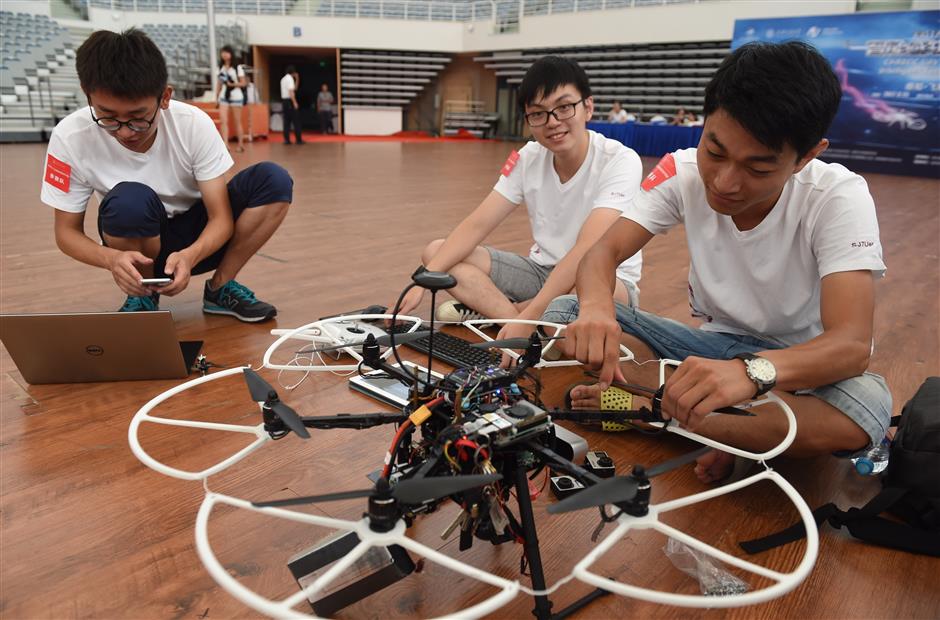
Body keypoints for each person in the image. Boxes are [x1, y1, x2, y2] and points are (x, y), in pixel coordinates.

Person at [545, 41, 891, 484]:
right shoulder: (681, 171)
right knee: (566, 315)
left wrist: (752, 372)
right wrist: (595, 309)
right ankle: (727, 425)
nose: (725, 182)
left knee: (866, 409)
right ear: (704, 122)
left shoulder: (838, 196)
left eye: (758, 169)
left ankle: (660, 410)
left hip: (798, 367)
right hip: (710, 352)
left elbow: (851, 345)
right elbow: (602, 253)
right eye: (715, 150)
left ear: (807, 155)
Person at [391, 55, 643, 353]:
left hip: (601, 278)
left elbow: (587, 249)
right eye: (538, 113)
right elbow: (478, 223)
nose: (552, 122)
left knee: (569, 307)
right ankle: (517, 320)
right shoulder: (528, 157)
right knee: (435, 253)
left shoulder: (620, 161)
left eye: (563, 107)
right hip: (540, 271)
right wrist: (423, 280)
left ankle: (501, 314)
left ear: (588, 107)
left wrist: (532, 314)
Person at [42, 29, 291, 321]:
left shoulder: (193, 124)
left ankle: (220, 288)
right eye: (107, 117)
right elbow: (66, 233)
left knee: (274, 180)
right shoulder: (69, 136)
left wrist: (191, 254)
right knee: (129, 200)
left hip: (198, 238)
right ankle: (144, 295)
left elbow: (220, 219)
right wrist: (112, 259)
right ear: (88, 96)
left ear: (165, 97)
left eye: (138, 118)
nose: (123, 131)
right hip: (132, 237)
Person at [215, 45, 246, 153]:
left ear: (231, 54)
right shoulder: (220, 67)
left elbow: (243, 83)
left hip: (236, 96)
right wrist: (217, 97)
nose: (224, 54)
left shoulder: (238, 68)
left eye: (227, 52)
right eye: (223, 52)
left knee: (237, 121)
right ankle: (225, 144)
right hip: (224, 96)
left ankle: (241, 144)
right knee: (223, 121)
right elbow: (219, 84)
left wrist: (231, 84)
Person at [280, 65, 303, 145]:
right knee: (296, 120)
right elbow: (291, 91)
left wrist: (297, 79)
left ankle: (286, 139)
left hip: (284, 101)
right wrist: (294, 102)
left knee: (286, 121)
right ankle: (298, 139)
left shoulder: (283, 79)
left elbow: (294, 88)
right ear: (293, 72)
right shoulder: (290, 79)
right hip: (290, 101)